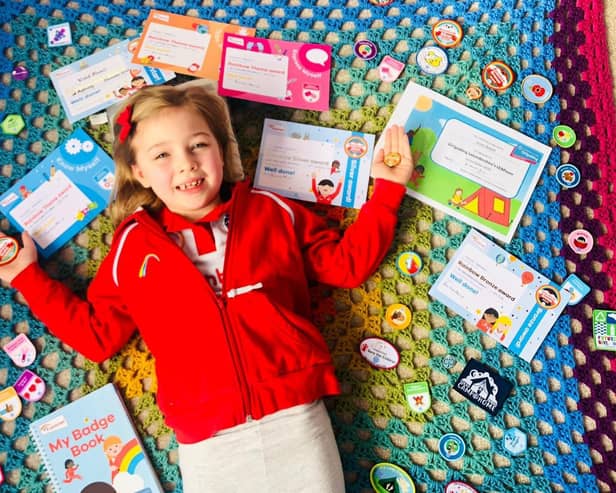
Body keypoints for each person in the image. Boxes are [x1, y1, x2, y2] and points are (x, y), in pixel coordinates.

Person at [0, 83, 414, 493]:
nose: (186, 164)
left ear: (220, 150)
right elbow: (96, 337)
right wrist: (27, 276)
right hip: (208, 441)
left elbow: (346, 266)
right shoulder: (131, 246)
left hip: (295, 416)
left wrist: (388, 190)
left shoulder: (271, 210)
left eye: (199, 145)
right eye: (162, 154)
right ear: (139, 172)